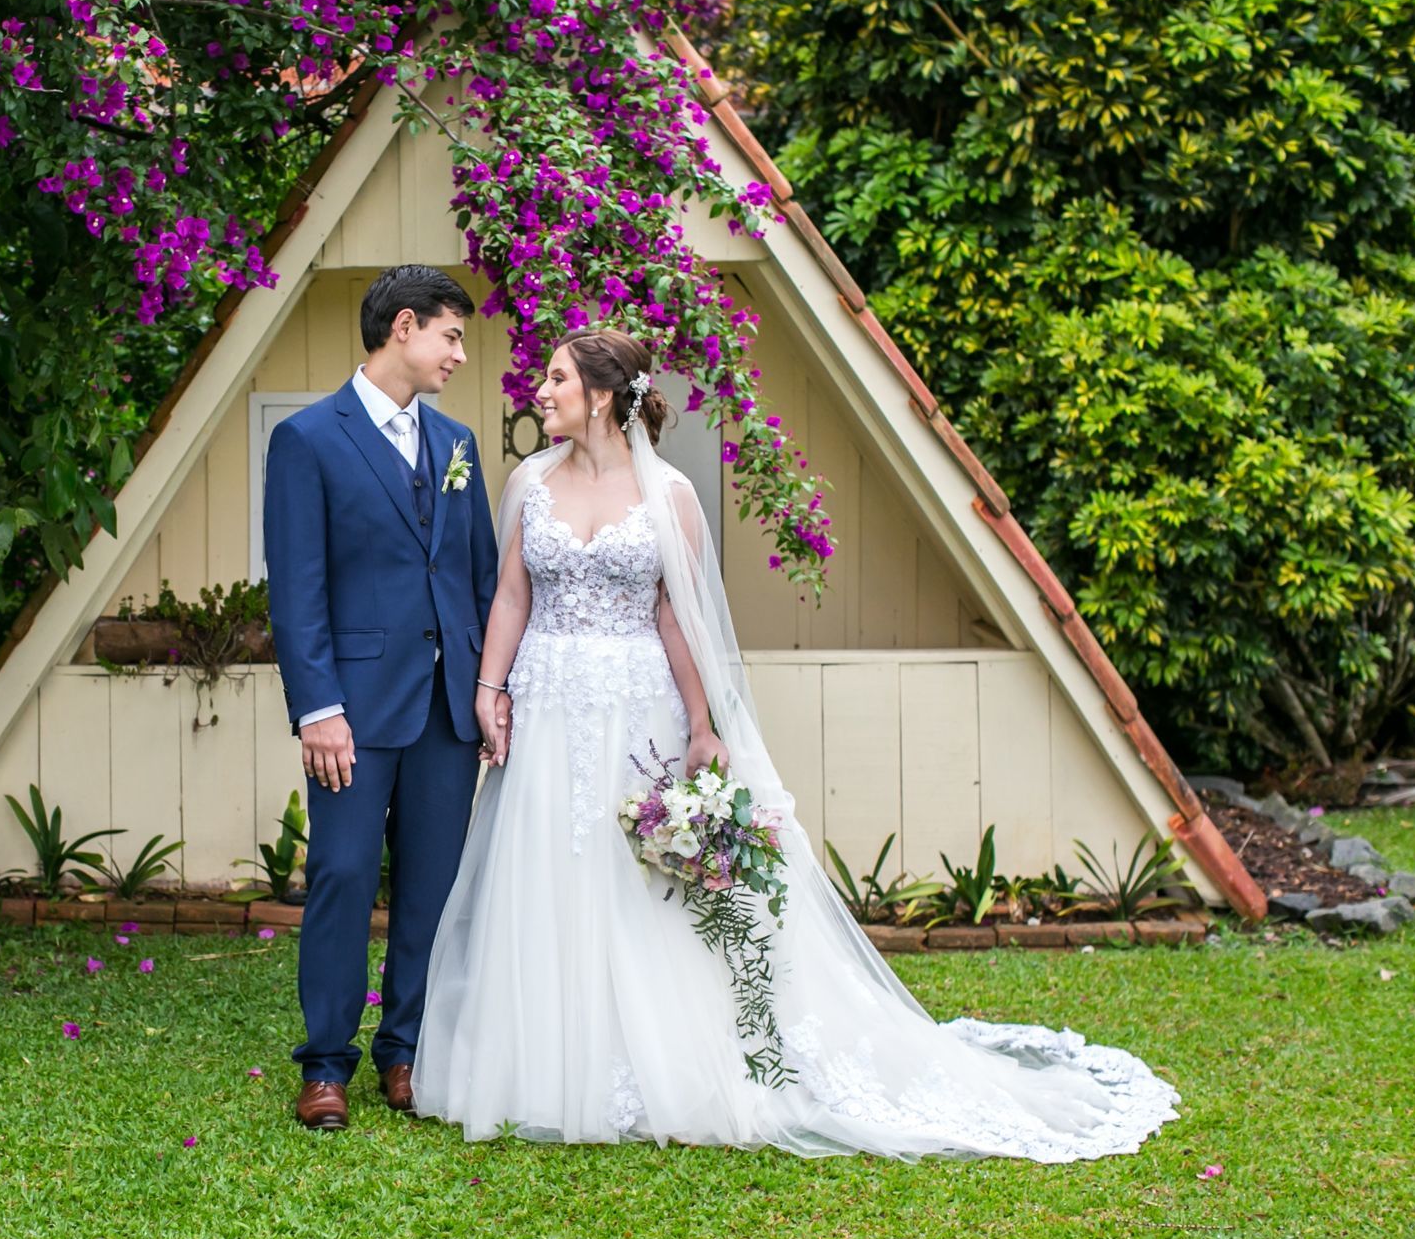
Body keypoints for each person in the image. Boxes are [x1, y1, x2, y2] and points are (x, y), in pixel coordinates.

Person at [410, 327, 1181, 1162]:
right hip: (550, 703)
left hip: (639, 711)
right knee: (548, 875)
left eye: (555, 378)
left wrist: (704, 728)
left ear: (600, 396)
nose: (540, 389)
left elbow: (678, 616)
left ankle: (659, 1059)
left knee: (639, 887)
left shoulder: (668, 497)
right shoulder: (528, 481)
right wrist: (491, 692)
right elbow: (513, 595)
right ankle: (546, 1057)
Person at [262, 265, 499, 1131]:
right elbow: (297, 588)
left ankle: (407, 1052)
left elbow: (478, 579)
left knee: (431, 887)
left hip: (445, 712)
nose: (459, 355)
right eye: (451, 336)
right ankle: (326, 1063)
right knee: (342, 877)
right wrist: (317, 706)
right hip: (353, 714)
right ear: (404, 327)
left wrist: (486, 690)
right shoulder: (308, 440)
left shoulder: (458, 445)